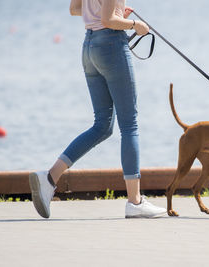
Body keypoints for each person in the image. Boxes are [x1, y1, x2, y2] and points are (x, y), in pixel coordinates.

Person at [29, 0, 167, 219]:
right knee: (129, 125)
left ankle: (49, 178)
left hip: (89, 47)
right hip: (111, 46)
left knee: (102, 126)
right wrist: (134, 25)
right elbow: (107, 20)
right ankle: (135, 201)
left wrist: (118, 13)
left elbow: (75, 9)